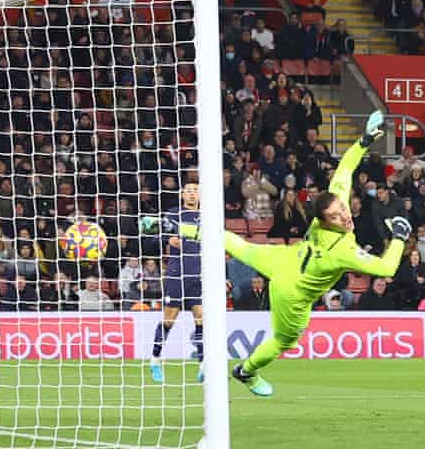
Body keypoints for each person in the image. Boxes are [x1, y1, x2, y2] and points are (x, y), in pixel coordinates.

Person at [145, 111, 408, 397]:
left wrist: (364, 141)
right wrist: (399, 238)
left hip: (284, 257)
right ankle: (246, 370)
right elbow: (386, 268)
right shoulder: (343, 250)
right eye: (336, 216)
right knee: (284, 341)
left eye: (342, 209)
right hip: (293, 291)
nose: (344, 216)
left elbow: (344, 170)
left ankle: (178, 228)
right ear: (323, 220)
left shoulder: (332, 203)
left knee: (235, 242)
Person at [146, 181, 203, 384]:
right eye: (188, 191)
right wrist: (167, 240)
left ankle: (203, 364)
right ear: (182, 195)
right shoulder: (172, 214)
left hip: (199, 274)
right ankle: (155, 359)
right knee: (169, 320)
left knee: (201, 319)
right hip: (176, 273)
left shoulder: (208, 217)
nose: (191, 194)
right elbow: (150, 236)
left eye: (195, 191)